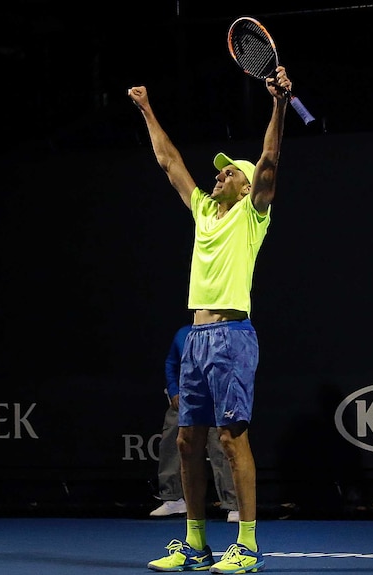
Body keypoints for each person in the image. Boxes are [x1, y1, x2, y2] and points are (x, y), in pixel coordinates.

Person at [128, 65, 291, 574]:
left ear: (245, 189)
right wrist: (148, 109)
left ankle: (245, 543)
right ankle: (195, 542)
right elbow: (168, 160)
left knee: (231, 437)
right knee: (186, 439)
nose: (219, 174)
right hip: (196, 338)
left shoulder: (252, 214)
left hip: (232, 337)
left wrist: (279, 105)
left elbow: (269, 158)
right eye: (219, 171)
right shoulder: (202, 210)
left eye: (229, 172)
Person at [150, 323, 239, 524]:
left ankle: (233, 504)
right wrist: (174, 391)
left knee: (221, 450)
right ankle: (173, 498)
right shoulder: (183, 333)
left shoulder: (228, 333)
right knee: (172, 445)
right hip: (187, 400)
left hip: (216, 401)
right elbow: (171, 363)